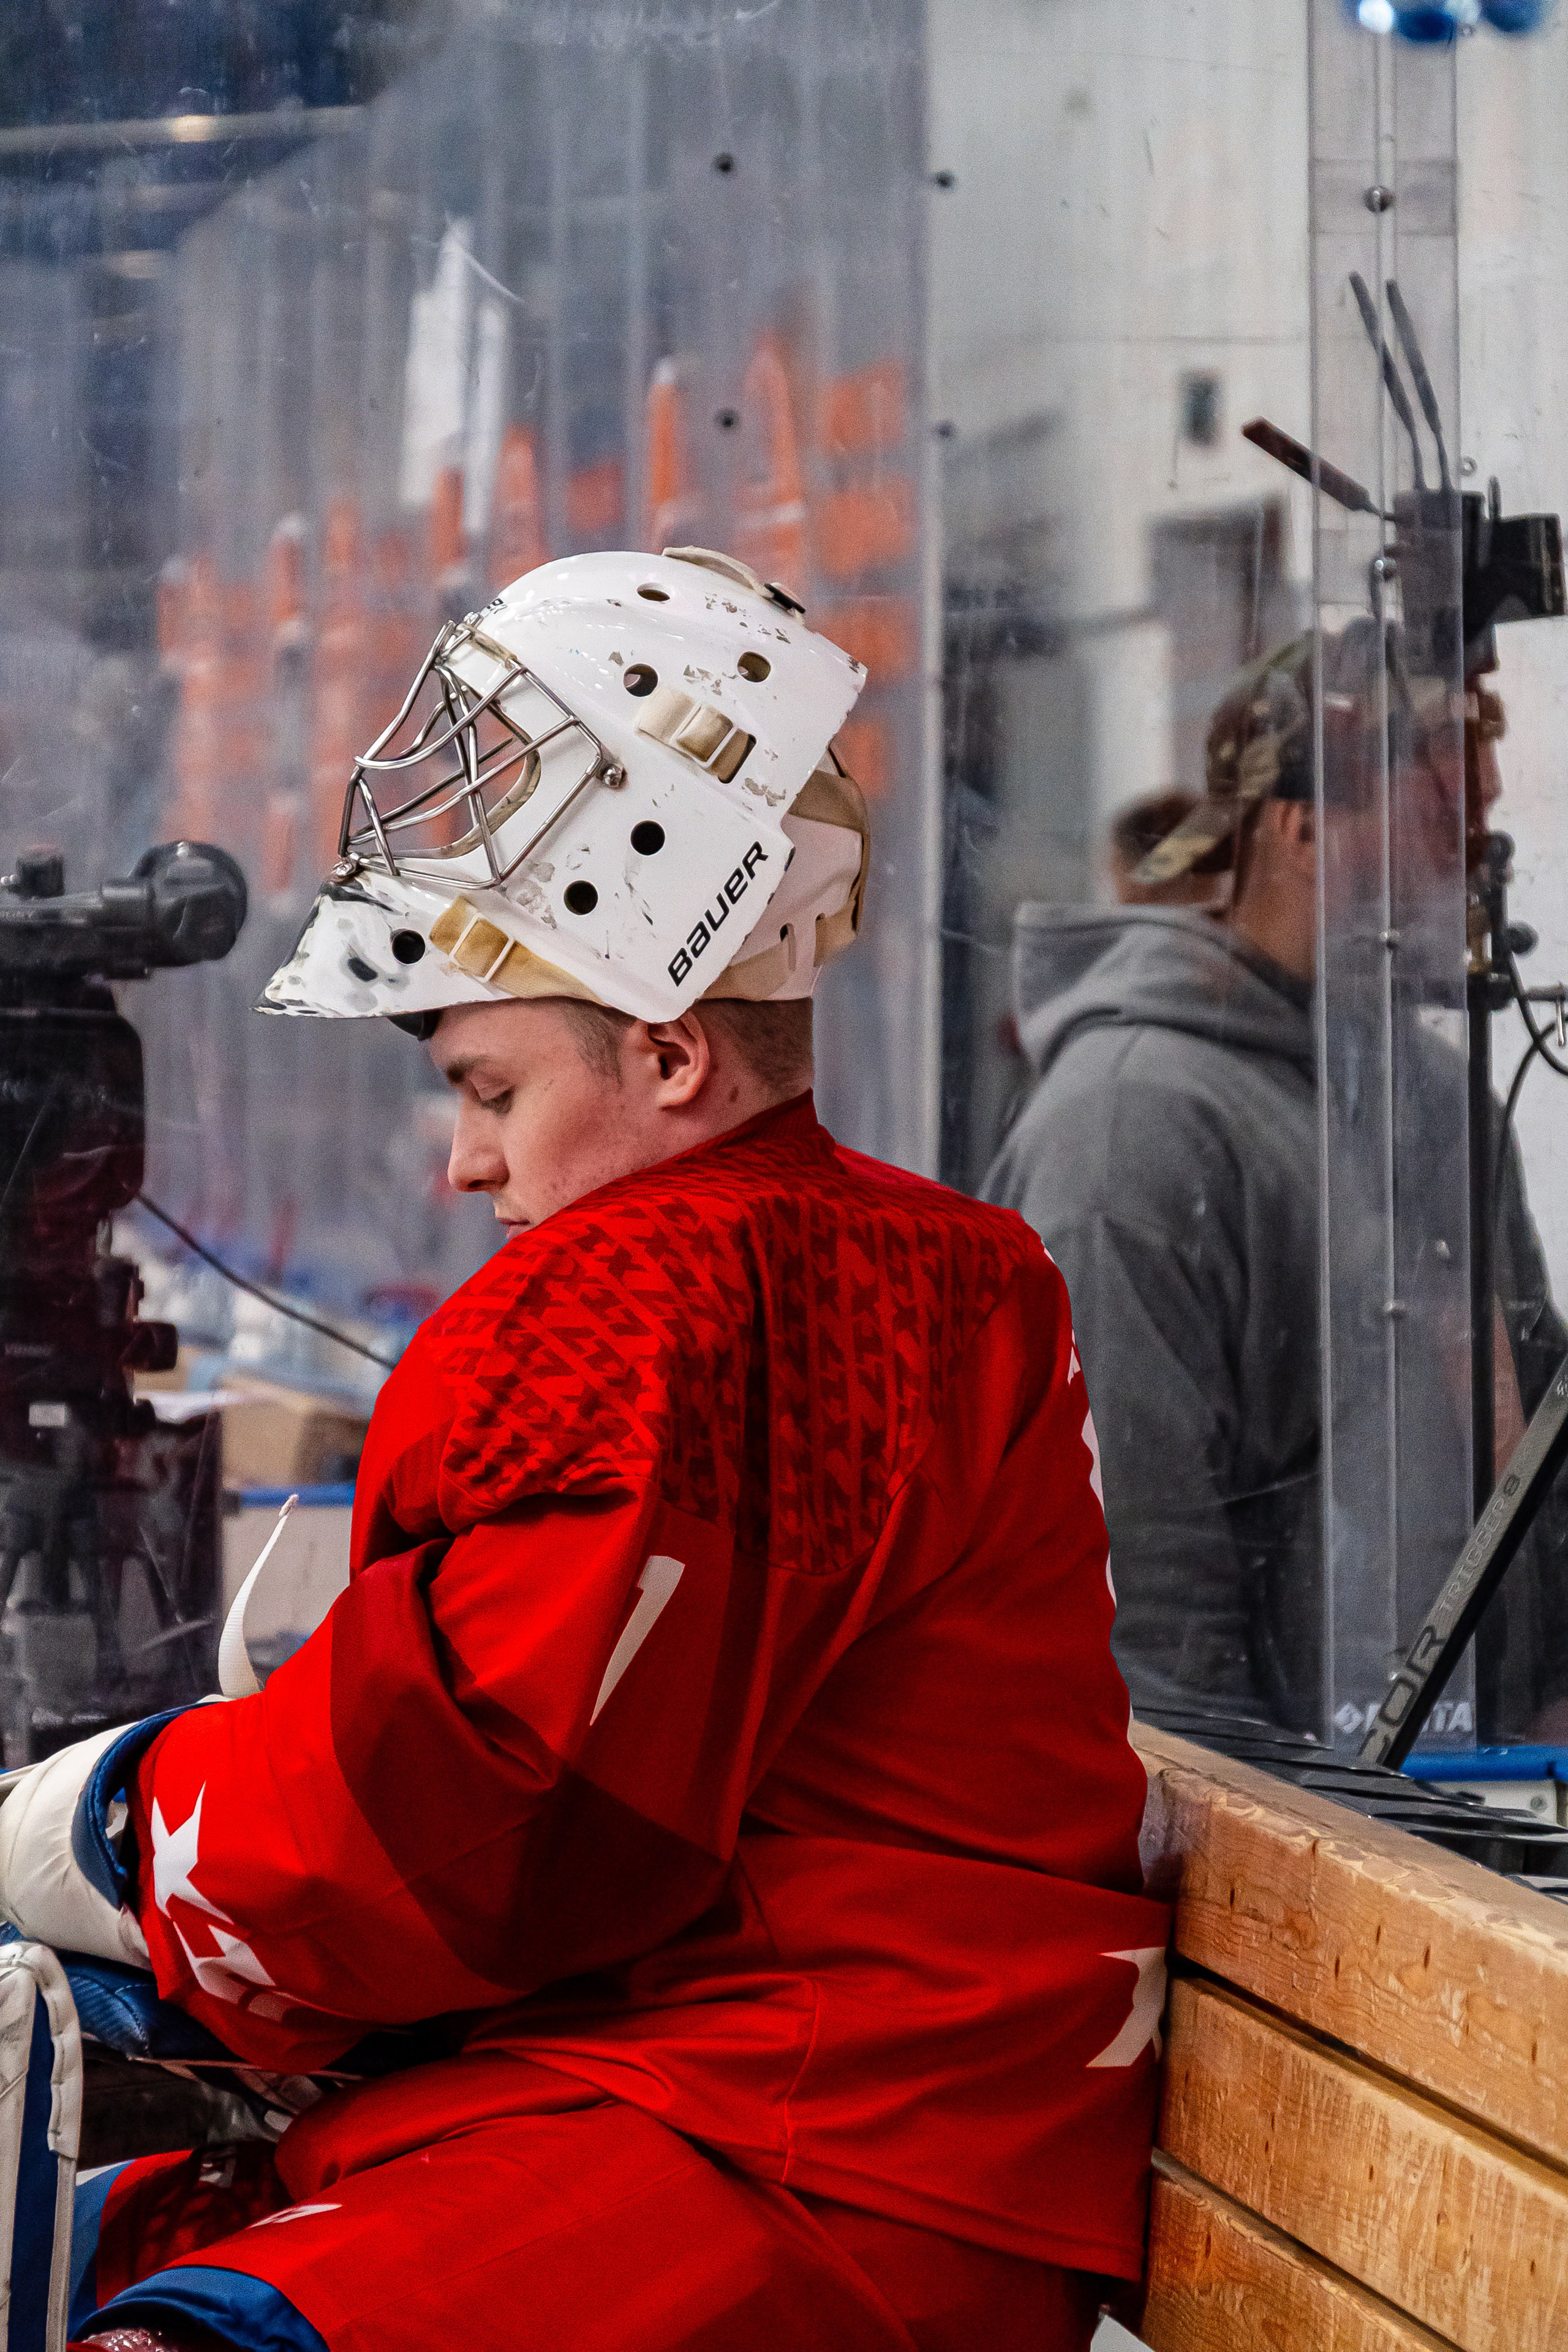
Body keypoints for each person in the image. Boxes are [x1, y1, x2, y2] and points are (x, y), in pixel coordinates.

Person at [0, 548, 1166, 2352]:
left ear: (675, 1050)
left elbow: (487, 1810)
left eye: (490, 1090)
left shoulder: (644, 1294)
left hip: (768, 2151)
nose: (467, 1164)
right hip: (880, 2143)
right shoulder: (953, 1266)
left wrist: (121, 1828)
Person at [984, 628, 1568, 1733]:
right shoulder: (1131, 1132)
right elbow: (1142, 1614)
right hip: (1302, 1837)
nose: (1482, 864)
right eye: (1449, 822)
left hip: (1466, 1809)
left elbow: (1539, 1460)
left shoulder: (1435, 1100)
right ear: (1304, 830)